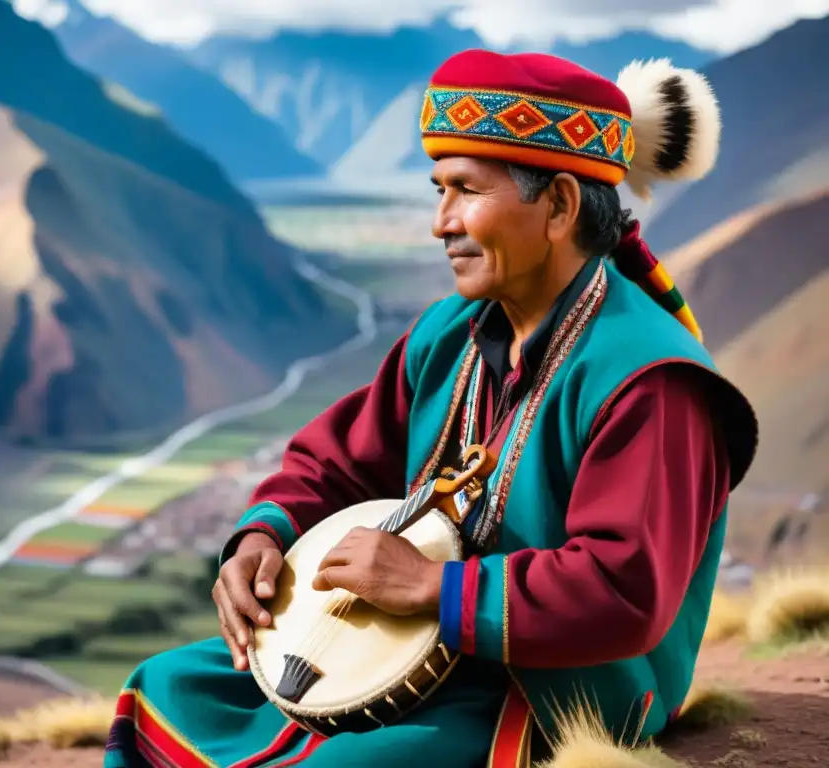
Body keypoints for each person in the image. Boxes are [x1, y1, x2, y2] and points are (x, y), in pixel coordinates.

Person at [104, 49, 758, 768]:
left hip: (553, 689)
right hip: (413, 636)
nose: (441, 222)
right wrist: (260, 538)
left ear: (561, 207)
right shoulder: (449, 334)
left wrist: (431, 588)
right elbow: (336, 465)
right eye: (438, 190)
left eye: (466, 192)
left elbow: (624, 591)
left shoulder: (650, 381)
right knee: (162, 690)